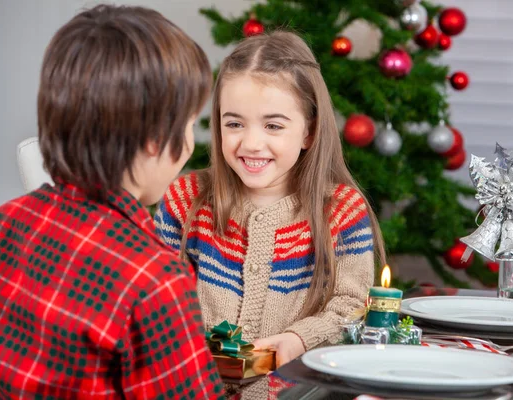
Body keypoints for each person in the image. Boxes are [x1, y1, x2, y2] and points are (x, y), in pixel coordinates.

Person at [0, 5, 224, 399]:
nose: (190, 142)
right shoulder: (157, 282)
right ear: (155, 140)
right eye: (190, 123)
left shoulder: (4, 222)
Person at [155, 30, 386, 397]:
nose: (250, 143)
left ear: (308, 131)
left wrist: (298, 339)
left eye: (273, 125)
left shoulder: (340, 211)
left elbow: (354, 306)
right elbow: (154, 303)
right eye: (234, 123)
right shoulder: (186, 199)